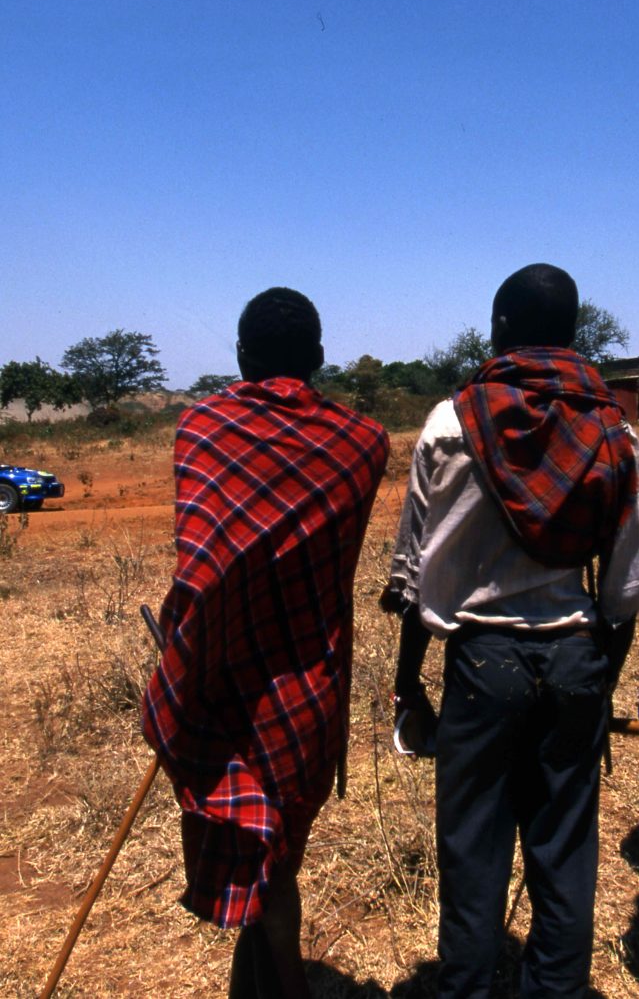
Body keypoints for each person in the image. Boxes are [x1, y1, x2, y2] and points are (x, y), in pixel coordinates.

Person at [382, 264, 639, 998]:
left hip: (481, 663)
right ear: (572, 333)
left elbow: (414, 575)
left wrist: (409, 686)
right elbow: (627, 591)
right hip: (574, 657)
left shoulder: (452, 423)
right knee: (563, 854)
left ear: (499, 328)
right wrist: (598, 685)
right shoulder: (615, 431)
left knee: (472, 854)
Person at [141, 288, 388, 999]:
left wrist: (182, 661)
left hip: (219, 682)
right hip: (307, 694)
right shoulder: (363, 442)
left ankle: (281, 982)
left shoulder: (203, 427)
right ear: (319, 356)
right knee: (282, 857)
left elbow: (202, 570)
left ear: (241, 357)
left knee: (266, 865)